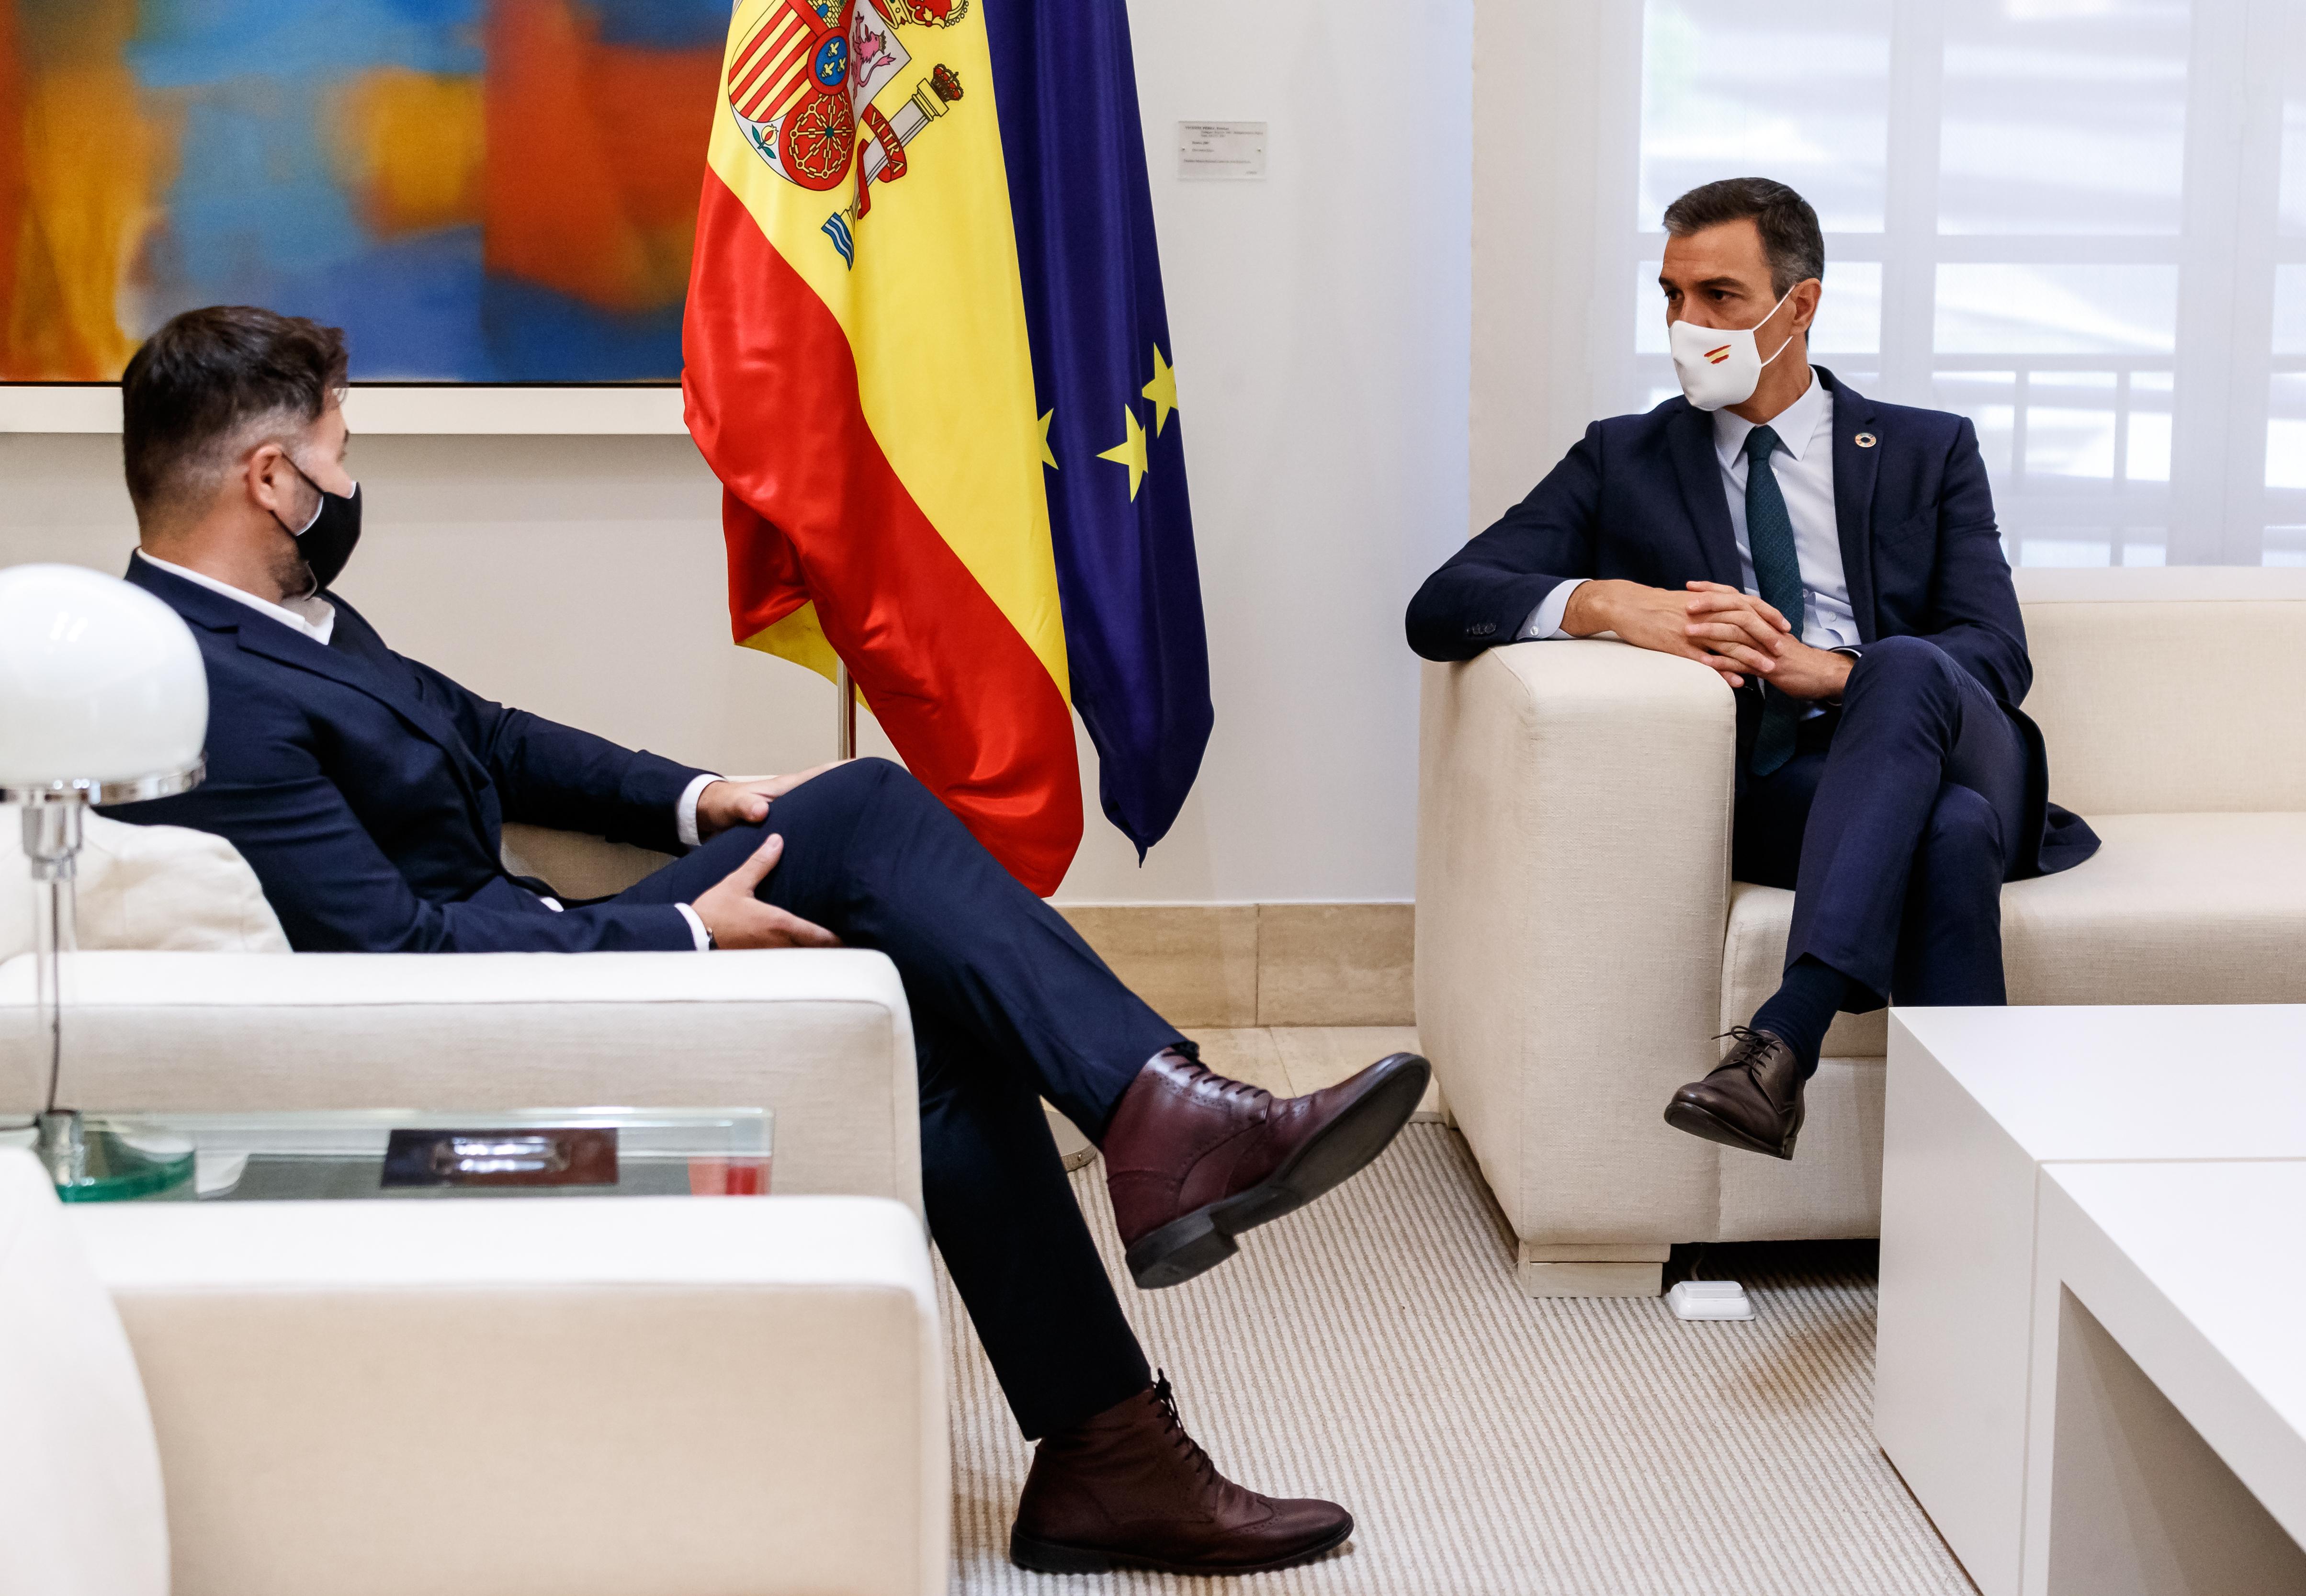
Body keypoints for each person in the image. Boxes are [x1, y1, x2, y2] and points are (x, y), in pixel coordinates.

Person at [106, 305, 1430, 1577]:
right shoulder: (206, 683)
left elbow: (493, 738)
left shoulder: (275, 625)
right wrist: (681, 925)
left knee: (923, 997)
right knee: (863, 813)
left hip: (535, 958)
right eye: (340, 451)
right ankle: (1168, 1130)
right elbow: (395, 961)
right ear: (273, 478)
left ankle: (1110, 1437)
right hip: (481, 1037)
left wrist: (705, 796)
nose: (350, 479)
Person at [1406, 177, 2097, 1163]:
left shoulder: (1924, 449)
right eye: (1670, 296)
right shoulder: (1624, 458)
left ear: (1799, 305)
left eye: (1718, 297)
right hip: (1787, 785)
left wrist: (1834, 670)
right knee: (1949, 836)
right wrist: (1604, 602)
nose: (1687, 323)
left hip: (1954, 741)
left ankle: (1784, 1032)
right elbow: (1439, 604)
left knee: (1901, 668)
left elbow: (1995, 651)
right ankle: (1969, 1204)